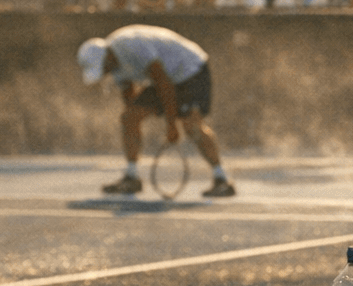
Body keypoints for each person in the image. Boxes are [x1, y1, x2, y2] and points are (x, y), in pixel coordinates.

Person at [77, 25, 235, 197]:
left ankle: (222, 179)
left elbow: (164, 85)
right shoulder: (113, 65)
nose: (106, 73)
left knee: (191, 127)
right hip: (164, 79)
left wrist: (171, 126)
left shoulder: (131, 46)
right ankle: (131, 177)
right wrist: (136, 118)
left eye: (103, 68)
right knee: (129, 117)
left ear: (107, 57)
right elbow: (130, 97)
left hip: (191, 71)